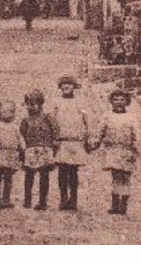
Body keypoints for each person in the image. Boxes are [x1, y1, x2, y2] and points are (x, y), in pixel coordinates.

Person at [88, 87, 139, 215]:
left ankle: (124, 205)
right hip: (113, 150)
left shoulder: (131, 117)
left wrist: (135, 149)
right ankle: (115, 204)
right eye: (115, 100)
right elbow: (100, 132)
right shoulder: (107, 116)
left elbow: (136, 135)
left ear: (126, 101)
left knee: (126, 177)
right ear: (111, 101)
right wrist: (94, 144)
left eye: (122, 99)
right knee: (116, 176)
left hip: (127, 150)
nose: (118, 102)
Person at [47, 74, 89, 210]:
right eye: (63, 84)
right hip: (62, 141)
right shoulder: (56, 102)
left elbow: (86, 119)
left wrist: (87, 136)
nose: (66, 86)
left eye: (69, 84)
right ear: (60, 87)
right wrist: (53, 138)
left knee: (73, 172)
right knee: (62, 171)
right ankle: (63, 198)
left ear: (74, 86)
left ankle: (74, 199)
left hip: (75, 141)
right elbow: (51, 120)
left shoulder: (80, 102)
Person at [19, 89, 58, 210]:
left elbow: (55, 129)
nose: (31, 107)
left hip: (45, 150)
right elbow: (21, 134)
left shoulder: (48, 117)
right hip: (30, 150)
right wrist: (22, 150)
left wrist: (54, 143)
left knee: (44, 176)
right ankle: (27, 200)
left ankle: (43, 201)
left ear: (41, 104)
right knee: (29, 176)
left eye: (34, 104)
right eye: (28, 104)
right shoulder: (25, 120)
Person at [0, 100, 25, 209]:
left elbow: (20, 138)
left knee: (9, 178)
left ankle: (6, 199)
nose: (8, 114)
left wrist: (22, 147)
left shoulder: (14, 126)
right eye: (5, 111)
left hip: (11, 155)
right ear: (0, 112)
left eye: (11, 111)